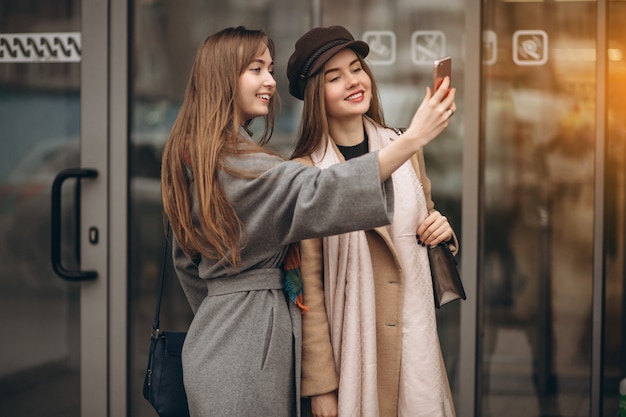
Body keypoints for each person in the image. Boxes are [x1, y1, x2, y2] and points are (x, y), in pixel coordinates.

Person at [160, 26, 455, 417]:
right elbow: (319, 190)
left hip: (223, 340)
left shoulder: (199, 159)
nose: (269, 81)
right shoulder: (242, 168)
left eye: (269, 68)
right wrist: (414, 137)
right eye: (256, 70)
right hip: (247, 354)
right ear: (224, 78)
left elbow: (187, 264)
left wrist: (221, 304)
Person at [286, 25, 458, 417]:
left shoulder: (402, 145)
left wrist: (443, 232)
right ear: (316, 94)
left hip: (414, 342)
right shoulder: (305, 171)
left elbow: (427, 228)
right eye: (335, 77)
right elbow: (307, 290)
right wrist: (320, 388)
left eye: (356, 68)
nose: (353, 81)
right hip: (353, 353)